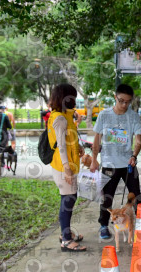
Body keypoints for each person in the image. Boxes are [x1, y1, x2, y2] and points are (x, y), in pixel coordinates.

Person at [90, 83, 141, 240]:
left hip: (128, 163)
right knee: (107, 197)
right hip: (109, 164)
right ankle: (103, 225)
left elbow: (138, 140)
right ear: (115, 97)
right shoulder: (104, 115)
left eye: (127, 102)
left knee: (136, 196)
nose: (124, 105)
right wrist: (94, 160)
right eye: (121, 100)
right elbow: (96, 139)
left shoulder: (133, 116)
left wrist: (134, 156)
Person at [47, 84, 86, 252]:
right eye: (73, 97)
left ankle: (65, 233)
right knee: (68, 200)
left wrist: (79, 148)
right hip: (63, 166)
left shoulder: (66, 116)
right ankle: (66, 240)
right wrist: (67, 169)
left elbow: (69, 139)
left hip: (68, 164)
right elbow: (61, 146)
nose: (75, 100)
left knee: (70, 197)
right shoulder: (59, 118)